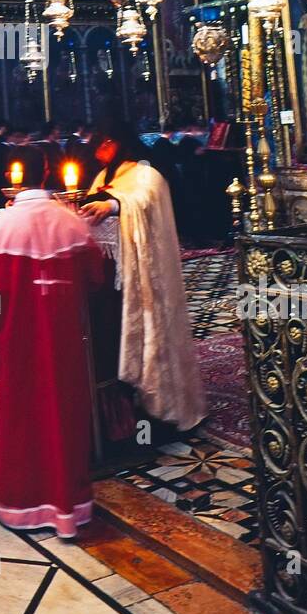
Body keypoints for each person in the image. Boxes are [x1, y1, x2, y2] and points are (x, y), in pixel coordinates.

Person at [0, 147, 103, 537]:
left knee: (22, 416)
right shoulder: (69, 220)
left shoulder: (2, 225)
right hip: (65, 343)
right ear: (47, 173)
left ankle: (23, 504)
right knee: (64, 415)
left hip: (18, 342)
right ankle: (68, 508)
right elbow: (95, 275)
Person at [81, 113, 205, 431]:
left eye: (102, 144)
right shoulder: (102, 177)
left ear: (114, 143)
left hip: (144, 278)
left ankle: (160, 403)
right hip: (111, 279)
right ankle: (122, 405)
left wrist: (113, 206)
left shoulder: (145, 174)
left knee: (149, 334)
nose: (97, 152)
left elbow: (144, 200)